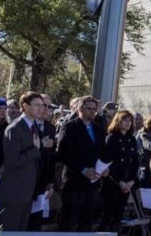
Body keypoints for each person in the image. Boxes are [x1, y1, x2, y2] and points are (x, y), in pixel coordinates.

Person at [56, 95, 109, 232]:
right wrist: (83, 169)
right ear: (80, 109)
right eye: (89, 108)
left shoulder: (98, 129)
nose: (92, 111)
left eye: (94, 108)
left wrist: (104, 168)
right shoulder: (69, 127)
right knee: (69, 221)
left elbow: (103, 152)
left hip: (92, 184)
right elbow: (63, 153)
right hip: (74, 182)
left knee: (86, 221)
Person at [0, 91, 46, 231]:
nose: (41, 108)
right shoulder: (15, 128)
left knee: (21, 231)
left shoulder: (32, 126)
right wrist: (35, 149)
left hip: (27, 192)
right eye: (37, 105)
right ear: (25, 106)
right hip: (14, 194)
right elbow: (13, 161)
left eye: (42, 105)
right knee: (9, 231)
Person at [99, 110, 139, 233]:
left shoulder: (131, 139)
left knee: (119, 215)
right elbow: (109, 163)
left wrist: (131, 181)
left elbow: (135, 161)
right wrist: (120, 182)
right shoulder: (111, 138)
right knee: (108, 215)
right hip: (113, 183)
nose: (128, 123)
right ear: (118, 121)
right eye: (125, 120)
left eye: (130, 120)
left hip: (127, 182)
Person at [27, 93, 57, 231]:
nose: (46, 109)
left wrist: (51, 182)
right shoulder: (25, 124)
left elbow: (51, 158)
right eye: (42, 105)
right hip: (26, 181)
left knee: (36, 222)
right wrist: (41, 145)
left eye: (49, 106)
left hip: (42, 182)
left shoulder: (50, 127)